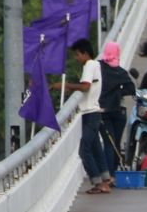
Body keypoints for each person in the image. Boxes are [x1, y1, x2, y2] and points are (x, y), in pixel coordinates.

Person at [52, 38, 111, 194]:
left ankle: (98, 182)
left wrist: (64, 85)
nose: (76, 58)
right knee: (96, 149)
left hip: (90, 113)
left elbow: (85, 87)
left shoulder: (89, 65)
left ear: (85, 53)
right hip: (92, 113)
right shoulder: (96, 65)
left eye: (77, 55)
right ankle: (105, 179)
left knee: (84, 150)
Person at [97, 41, 134, 176]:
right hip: (119, 111)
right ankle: (114, 172)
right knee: (116, 143)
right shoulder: (120, 72)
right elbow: (132, 89)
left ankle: (109, 174)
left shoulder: (98, 67)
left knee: (109, 143)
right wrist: (118, 92)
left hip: (103, 111)